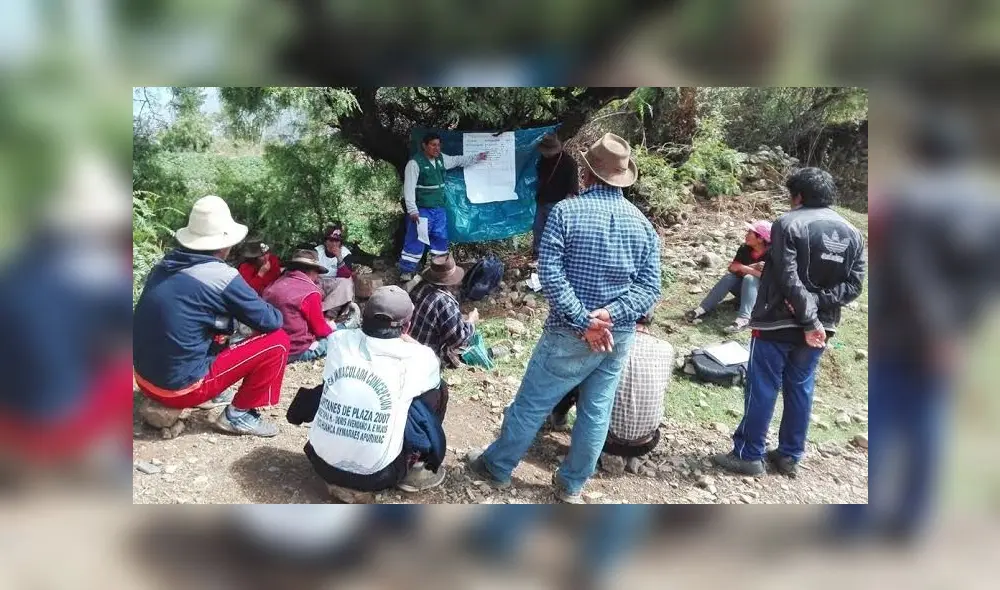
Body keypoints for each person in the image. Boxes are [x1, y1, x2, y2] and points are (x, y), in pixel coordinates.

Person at [467, 132, 661, 504]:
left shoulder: (565, 212)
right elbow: (650, 289)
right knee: (596, 412)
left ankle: (498, 466)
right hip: (616, 338)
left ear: (587, 174)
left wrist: (584, 320)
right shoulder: (643, 226)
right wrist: (611, 314)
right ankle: (572, 485)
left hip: (567, 333)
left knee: (532, 404)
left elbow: (551, 275)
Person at [712, 168, 866, 477]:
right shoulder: (853, 233)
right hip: (822, 327)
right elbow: (854, 285)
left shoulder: (787, 224)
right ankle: (789, 455)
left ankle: (749, 454)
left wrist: (806, 315)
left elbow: (787, 276)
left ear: (798, 196)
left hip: (777, 321)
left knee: (763, 386)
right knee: (800, 387)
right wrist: (815, 312)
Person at [134, 195, 291, 438]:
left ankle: (215, 392)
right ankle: (238, 415)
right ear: (224, 244)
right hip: (178, 389)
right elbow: (271, 321)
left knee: (212, 324)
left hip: (143, 379)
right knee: (278, 341)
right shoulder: (221, 276)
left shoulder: (164, 265)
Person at [286, 286, 449, 503]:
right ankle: (417, 466)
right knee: (436, 391)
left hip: (320, 462)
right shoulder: (420, 357)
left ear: (364, 317)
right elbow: (433, 370)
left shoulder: (338, 341)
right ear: (407, 326)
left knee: (343, 389)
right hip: (377, 476)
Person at [546, 312, 674, 467]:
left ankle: (558, 419)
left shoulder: (608, 340)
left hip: (604, 439)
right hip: (645, 443)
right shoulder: (667, 348)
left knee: (575, 374)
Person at [398, 132, 487, 281]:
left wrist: (477, 157)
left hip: (439, 209)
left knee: (440, 239)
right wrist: (412, 209)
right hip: (422, 210)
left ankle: (439, 271)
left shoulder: (441, 159)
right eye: (433, 145)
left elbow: (458, 160)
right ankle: (406, 271)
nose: (437, 148)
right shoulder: (414, 163)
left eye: (438, 145)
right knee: (416, 239)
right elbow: (409, 188)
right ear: (424, 146)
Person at [686, 220, 771, 333]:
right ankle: (701, 310)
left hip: (764, 295)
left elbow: (769, 277)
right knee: (729, 278)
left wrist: (744, 269)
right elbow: (732, 268)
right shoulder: (744, 249)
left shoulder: (772, 253)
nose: (746, 235)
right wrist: (753, 267)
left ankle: (744, 319)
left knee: (750, 278)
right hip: (744, 289)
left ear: (760, 238)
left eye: (750, 232)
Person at [263, 250, 336, 364]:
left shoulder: (273, 285)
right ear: (312, 271)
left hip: (271, 347)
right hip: (295, 350)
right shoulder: (310, 292)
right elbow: (320, 330)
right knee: (337, 338)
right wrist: (332, 329)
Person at [409, 254, 479, 368]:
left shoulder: (420, 287)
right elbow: (459, 340)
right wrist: (471, 320)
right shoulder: (444, 301)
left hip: (409, 345)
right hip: (428, 356)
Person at [533, 133, 580, 260]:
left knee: (554, 233)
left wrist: (566, 208)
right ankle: (537, 255)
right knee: (538, 228)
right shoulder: (542, 160)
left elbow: (572, 189)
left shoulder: (569, 163)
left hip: (558, 204)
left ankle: (552, 256)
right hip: (542, 200)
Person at [314, 225, 358, 324]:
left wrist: (339, 257)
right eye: (331, 240)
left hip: (335, 284)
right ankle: (316, 313)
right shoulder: (317, 251)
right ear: (325, 241)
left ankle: (329, 316)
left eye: (336, 241)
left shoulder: (346, 254)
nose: (334, 243)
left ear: (340, 243)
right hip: (318, 282)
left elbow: (345, 275)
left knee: (347, 282)